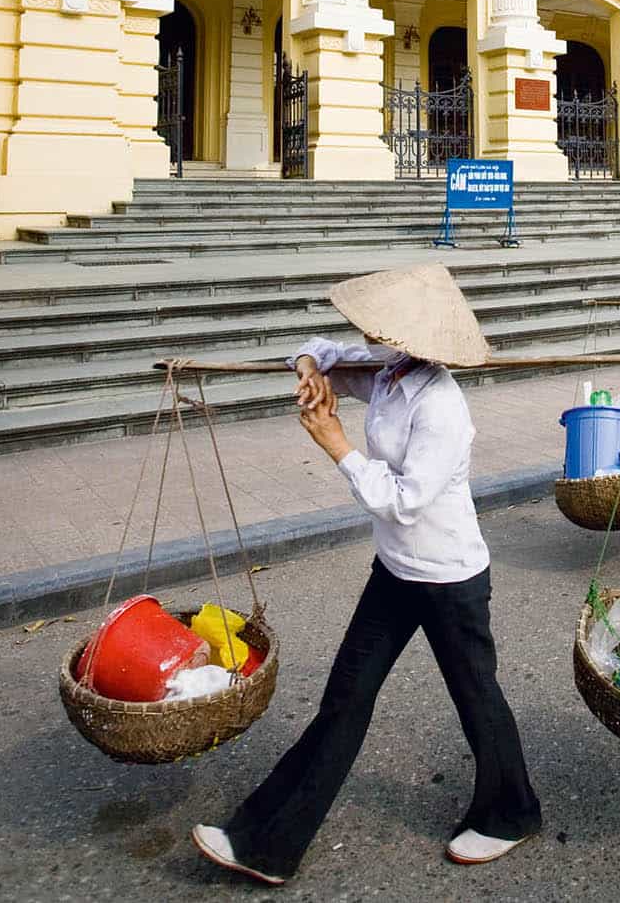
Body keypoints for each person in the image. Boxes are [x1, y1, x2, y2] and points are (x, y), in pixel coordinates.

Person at [192, 264, 541, 886]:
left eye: (384, 330)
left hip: (449, 576)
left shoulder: (441, 407)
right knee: (346, 698)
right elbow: (321, 351)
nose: (373, 336)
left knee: (476, 696)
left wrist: (335, 442)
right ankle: (265, 842)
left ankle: (511, 813)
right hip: (395, 570)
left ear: (412, 339)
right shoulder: (388, 371)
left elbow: (404, 501)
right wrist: (310, 372)